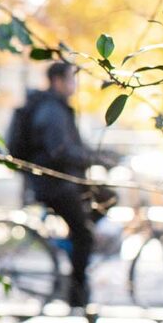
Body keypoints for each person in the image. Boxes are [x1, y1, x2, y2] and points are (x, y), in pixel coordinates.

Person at [20, 61, 113, 308]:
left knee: (107, 197)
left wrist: (102, 157)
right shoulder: (51, 111)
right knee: (85, 236)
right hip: (53, 185)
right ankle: (77, 295)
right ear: (58, 81)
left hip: (62, 180)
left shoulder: (57, 108)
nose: (75, 85)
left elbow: (71, 147)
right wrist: (91, 159)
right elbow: (59, 152)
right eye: (71, 79)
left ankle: (76, 245)